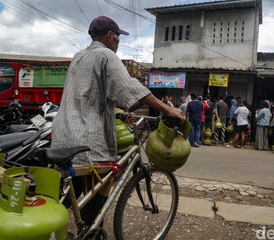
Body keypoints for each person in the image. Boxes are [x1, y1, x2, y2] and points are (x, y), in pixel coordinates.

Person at [51, 16, 184, 228]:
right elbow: (129, 88)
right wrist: (168, 109)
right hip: (88, 143)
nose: (119, 41)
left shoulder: (79, 56)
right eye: (118, 36)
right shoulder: (106, 55)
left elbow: (89, 95)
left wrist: (118, 112)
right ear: (110, 35)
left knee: (66, 196)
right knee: (93, 208)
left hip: (63, 136)